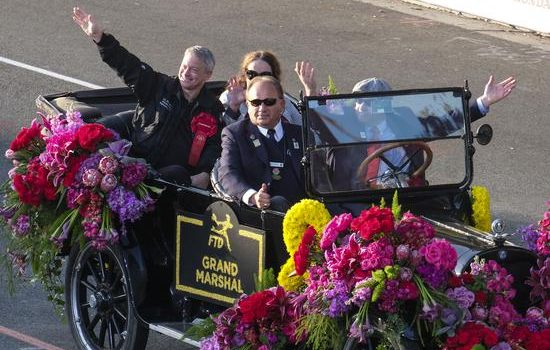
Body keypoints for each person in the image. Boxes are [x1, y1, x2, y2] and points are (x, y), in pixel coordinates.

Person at [72, 7, 224, 188]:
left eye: (194, 69)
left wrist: (205, 172)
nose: (185, 72)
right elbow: (128, 65)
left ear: (208, 75)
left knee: (177, 172)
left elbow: (213, 146)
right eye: (184, 66)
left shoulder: (212, 108)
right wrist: (101, 39)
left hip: (173, 179)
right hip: (135, 165)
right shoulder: (158, 85)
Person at [218, 76, 305, 212]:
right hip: (260, 215)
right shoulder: (234, 134)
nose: (262, 108)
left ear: (282, 105)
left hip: (304, 212)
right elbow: (228, 174)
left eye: (269, 102)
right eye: (256, 102)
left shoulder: (299, 134)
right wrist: (252, 196)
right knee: (278, 203)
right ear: (247, 105)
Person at [219, 51, 316, 126]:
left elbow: (309, 134)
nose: (258, 79)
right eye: (252, 74)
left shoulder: (283, 100)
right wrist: (233, 107)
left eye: (265, 75)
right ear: (244, 76)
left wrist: (310, 91)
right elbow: (221, 138)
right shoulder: (229, 96)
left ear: (274, 77)